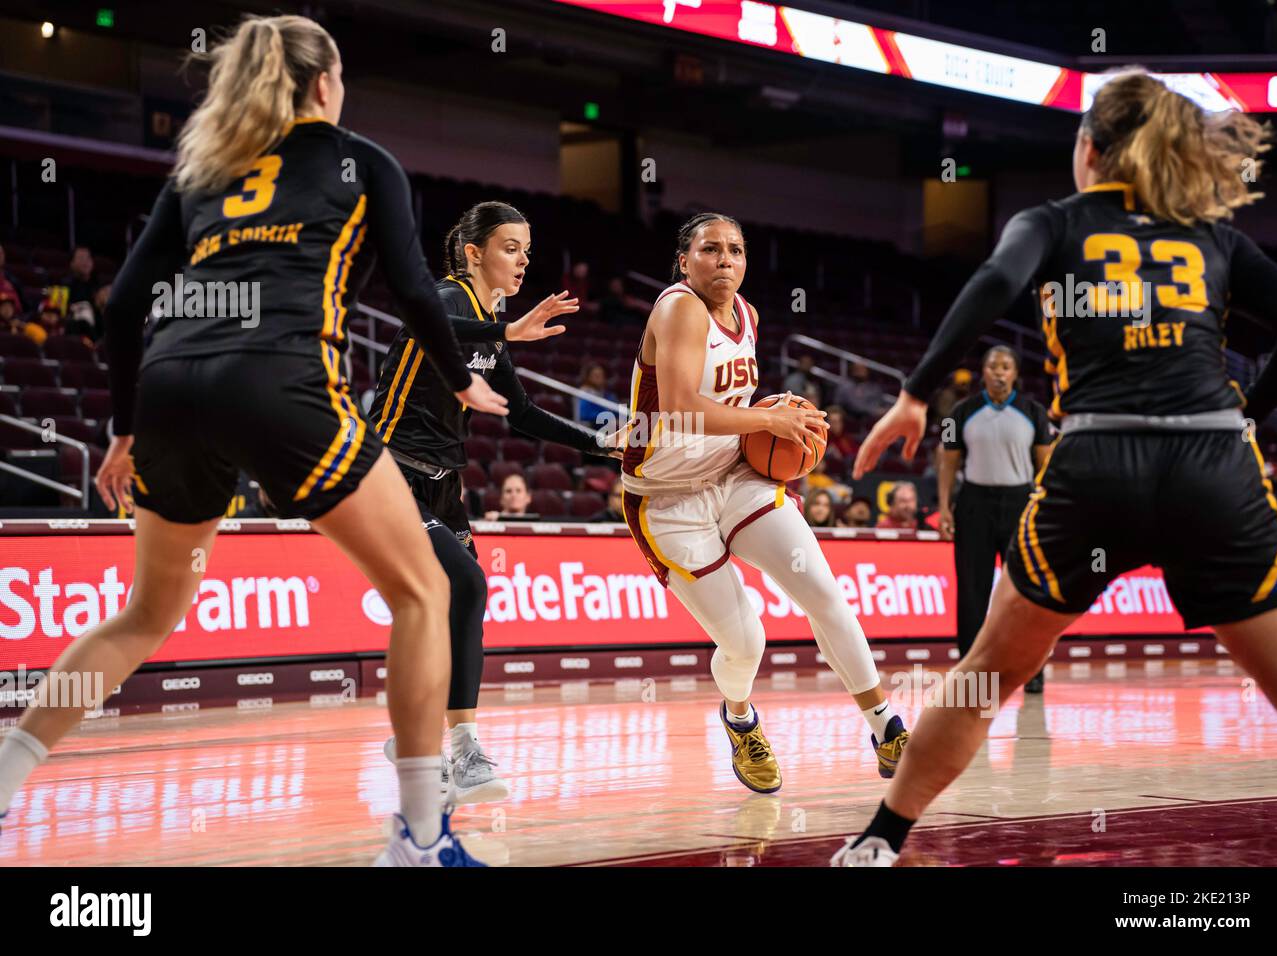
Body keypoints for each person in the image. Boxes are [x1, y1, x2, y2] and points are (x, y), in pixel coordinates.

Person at [0, 14, 509, 868]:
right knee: (425, 591)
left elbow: (126, 305)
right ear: (323, 84)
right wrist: (463, 381)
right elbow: (420, 294)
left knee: (147, 612)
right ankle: (422, 838)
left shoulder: (205, 166)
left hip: (168, 383)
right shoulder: (361, 161)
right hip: (280, 379)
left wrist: (123, 429)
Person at [837, 70, 1277, 867]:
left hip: (1095, 468)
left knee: (989, 673)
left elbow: (993, 284)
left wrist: (916, 392)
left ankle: (883, 837)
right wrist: (1249, 412)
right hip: (1212, 469)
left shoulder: (1054, 222)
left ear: (1088, 149)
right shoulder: (1214, 235)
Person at [621, 212, 910, 793]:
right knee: (746, 640)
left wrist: (780, 415)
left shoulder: (748, 313)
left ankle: (887, 728)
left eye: (735, 250)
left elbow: (734, 406)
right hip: (668, 500)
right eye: (710, 250)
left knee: (824, 594)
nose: (724, 260)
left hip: (736, 478)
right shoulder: (678, 306)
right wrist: (764, 417)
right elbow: (678, 405)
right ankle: (740, 719)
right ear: (684, 261)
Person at [370, 199, 620, 802]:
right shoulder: (452, 299)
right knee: (468, 586)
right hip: (388, 474)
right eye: (510, 248)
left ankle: (417, 734)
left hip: (444, 486)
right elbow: (424, 314)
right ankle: (462, 748)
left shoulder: (488, 322)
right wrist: (509, 328)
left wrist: (596, 444)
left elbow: (522, 414)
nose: (522, 261)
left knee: (454, 604)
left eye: (528, 251)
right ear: (475, 252)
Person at [938, 346, 1054, 691]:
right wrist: (945, 506)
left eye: (1006, 366)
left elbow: (1046, 461)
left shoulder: (1034, 412)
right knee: (972, 591)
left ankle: (1031, 671)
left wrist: (1043, 501)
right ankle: (970, 673)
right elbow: (948, 461)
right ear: (983, 372)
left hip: (1020, 502)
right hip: (974, 503)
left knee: (1024, 590)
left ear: (1015, 373)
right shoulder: (961, 412)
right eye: (992, 366)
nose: (999, 372)